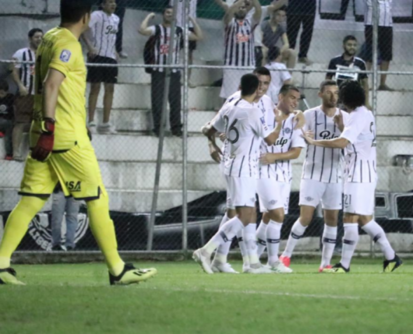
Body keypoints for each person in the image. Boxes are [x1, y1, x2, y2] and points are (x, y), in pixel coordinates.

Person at [0, 0, 156, 286]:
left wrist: (55, 125)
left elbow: (60, 89)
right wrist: (51, 127)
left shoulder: (48, 37)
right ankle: (117, 269)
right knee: (97, 198)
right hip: (63, 137)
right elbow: (51, 84)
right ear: (86, 17)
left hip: (46, 131)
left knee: (32, 200)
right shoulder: (69, 45)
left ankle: (0, 264)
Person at [303, 81, 402, 273]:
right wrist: (342, 128)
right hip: (367, 172)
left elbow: (342, 143)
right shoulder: (367, 113)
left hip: (357, 174)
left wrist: (314, 141)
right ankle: (391, 257)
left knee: (349, 217)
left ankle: (344, 265)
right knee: (365, 219)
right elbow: (356, 140)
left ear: (346, 98)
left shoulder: (356, 116)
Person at [193, 73, 284, 275]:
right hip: (245, 167)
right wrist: (280, 121)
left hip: (231, 164)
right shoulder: (252, 111)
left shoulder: (231, 105)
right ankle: (206, 251)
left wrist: (214, 143)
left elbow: (208, 128)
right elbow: (270, 140)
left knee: (239, 213)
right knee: (245, 215)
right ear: (255, 88)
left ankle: (225, 259)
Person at [280, 80, 347, 271]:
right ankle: (286, 255)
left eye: (336, 93)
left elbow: (349, 142)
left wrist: (342, 127)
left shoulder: (345, 117)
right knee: (306, 217)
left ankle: (325, 263)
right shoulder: (309, 115)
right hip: (312, 174)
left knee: (332, 219)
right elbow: (294, 128)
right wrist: (301, 130)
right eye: (329, 92)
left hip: (335, 175)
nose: (333, 96)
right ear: (320, 95)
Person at [254, 85, 305, 273]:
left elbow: (296, 152)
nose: (294, 102)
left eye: (297, 99)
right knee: (278, 215)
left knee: (268, 217)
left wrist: (275, 156)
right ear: (280, 97)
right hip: (264, 172)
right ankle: (273, 261)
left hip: (284, 174)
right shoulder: (266, 115)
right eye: (291, 97)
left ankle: (253, 258)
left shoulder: (296, 121)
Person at [138, 6, 203, 136]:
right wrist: (149, 16)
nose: (169, 15)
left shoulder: (179, 30)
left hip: (174, 71)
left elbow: (198, 36)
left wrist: (193, 21)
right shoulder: (157, 28)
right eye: (167, 12)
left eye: (172, 13)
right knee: (157, 101)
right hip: (158, 70)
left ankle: (176, 129)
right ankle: (159, 129)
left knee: (175, 101)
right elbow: (142, 30)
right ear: (163, 14)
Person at [83, 0, 120, 134]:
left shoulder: (116, 18)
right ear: (103, 4)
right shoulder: (96, 15)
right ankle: (91, 121)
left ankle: (105, 123)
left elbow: (112, 37)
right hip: (97, 55)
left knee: (110, 88)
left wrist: (115, 51)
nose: (113, 5)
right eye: (110, 2)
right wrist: (90, 47)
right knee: (95, 87)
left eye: (114, 2)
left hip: (110, 57)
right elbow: (83, 30)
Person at [11, 28, 43, 161]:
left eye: (41, 37)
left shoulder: (46, 54)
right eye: (36, 37)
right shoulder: (21, 53)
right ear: (30, 38)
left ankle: (37, 152)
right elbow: (13, 70)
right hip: (26, 93)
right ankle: (16, 152)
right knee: (20, 122)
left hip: (41, 94)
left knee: (39, 124)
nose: (39, 39)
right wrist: (20, 86)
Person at [220, 0, 262, 100]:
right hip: (232, 66)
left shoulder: (249, 22)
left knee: (248, 95)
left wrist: (254, 2)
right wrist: (239, 2)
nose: (241, 9)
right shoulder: (230, 22)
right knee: (230, 96)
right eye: (239, 7)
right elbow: (228, 15)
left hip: (248, 65)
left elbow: (258, 11)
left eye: (243, 7)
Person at [326, 35, 370, 108]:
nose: (352, 47)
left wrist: (367, 103)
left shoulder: (360, 63)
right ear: (343, 46)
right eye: (349, 45)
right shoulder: (334, 61)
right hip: (338, 98)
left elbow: (365, 84)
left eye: (354, 45)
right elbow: (327, 80)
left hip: (355, 99)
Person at [364, 0, 393, 91]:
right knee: (369, 54)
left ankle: (382, 84)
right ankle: (364, 84)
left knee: (386, 54)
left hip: (387, 23)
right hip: (371, 23)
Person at [51, 184, 81, 251]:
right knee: (57, 218)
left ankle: (69, 245)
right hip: (60, 189)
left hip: (75, 190)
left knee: (72, 218)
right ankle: (56, 244)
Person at [287, 0, 316, 65]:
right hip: (295, 4)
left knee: (308, 30)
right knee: (292, 30)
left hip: (309, 4)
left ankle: (303, 55)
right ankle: (289, 54)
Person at [0, 80, 16, 160]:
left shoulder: (11, 97)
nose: (0, 95)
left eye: (2, 93)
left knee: (8, 136)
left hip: (8, 121)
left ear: (6, 92)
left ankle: (9, 153)